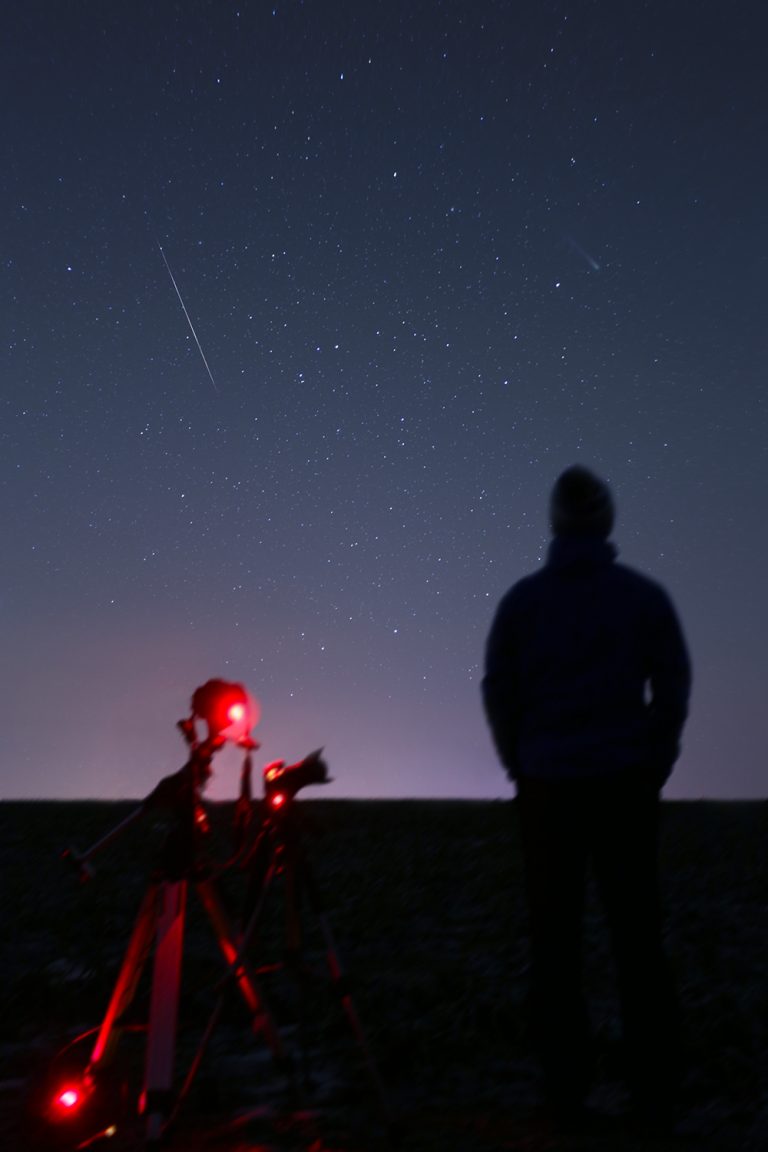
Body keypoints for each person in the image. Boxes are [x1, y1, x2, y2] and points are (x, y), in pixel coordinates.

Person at [482, 465, 691, 1129]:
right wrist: (655, 758)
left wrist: (520, 763)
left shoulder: (523, 602)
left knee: (556, 941)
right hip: (624, 784)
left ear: (555, 522)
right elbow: (674, 682)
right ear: (606, 522)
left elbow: (498, 688)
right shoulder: (641, 598)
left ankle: (566, 1089)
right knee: (636, 937)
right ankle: (652, 1090)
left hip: (549, 788)